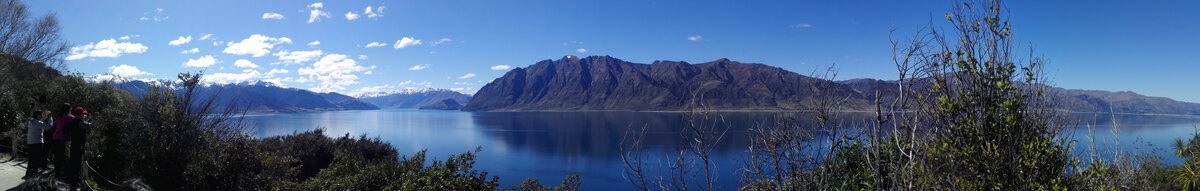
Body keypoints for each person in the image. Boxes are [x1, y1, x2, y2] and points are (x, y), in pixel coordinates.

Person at [65, 107, 91, 185]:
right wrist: (95, 118)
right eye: (83, 113)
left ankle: (72, 179)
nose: (84, 114)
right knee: (77, 164)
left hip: (74, 145)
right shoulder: (79, 122)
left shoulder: (74, 121)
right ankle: (74, 181)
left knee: (73, 163)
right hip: (78, 146)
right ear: (79, 114)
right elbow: (89, 125)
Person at [23, 110, 51, 178]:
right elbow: (48, 126)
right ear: (38, 116)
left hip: (31, 143)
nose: (42, 116)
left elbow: (41, 121)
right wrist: (50, 118)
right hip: (36, 143)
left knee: (32, 160)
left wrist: (46, 116)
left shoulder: (32, 121)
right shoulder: (36, 122)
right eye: (41, 115)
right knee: (36, 160)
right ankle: (33, 174)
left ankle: (29, 174)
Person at [49, 103, 72, 178]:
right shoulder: (68, 117)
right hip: (63, 139)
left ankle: (57, 173)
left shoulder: (60, 117)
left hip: (55, 138)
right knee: (64, 157)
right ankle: (63, 173)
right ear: (69, 109)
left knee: (57, 157)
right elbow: (77, 120)